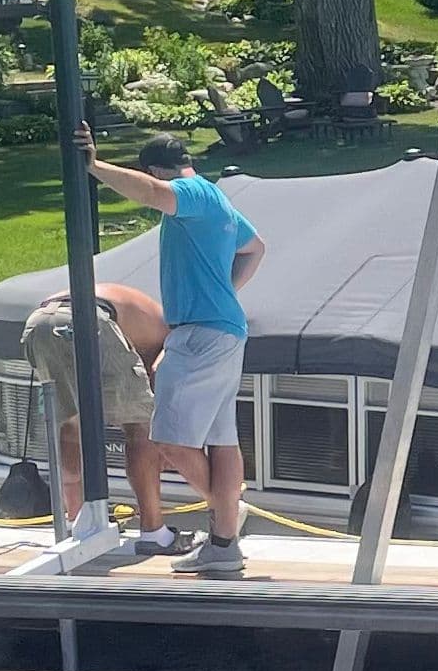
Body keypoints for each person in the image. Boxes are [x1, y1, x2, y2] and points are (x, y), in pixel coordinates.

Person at [79, 127, 266, 576]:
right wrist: (225, 291)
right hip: (222, 329)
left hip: (200, 334)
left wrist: (94, 167)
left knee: (167, 438)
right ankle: (223, 542)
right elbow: (255, 248)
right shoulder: (218, 201)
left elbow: (151, 192)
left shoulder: (192, 195)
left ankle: (225, 518)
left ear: (157, 169)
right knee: (221, 439)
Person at [20, 280, 203, 550]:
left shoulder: (146, 312)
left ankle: (77, 522)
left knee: (72, 423)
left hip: (40, 321)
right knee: (141, 428)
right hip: (92, 319)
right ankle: (155, 532)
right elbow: (159, 374)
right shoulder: (174, 335)